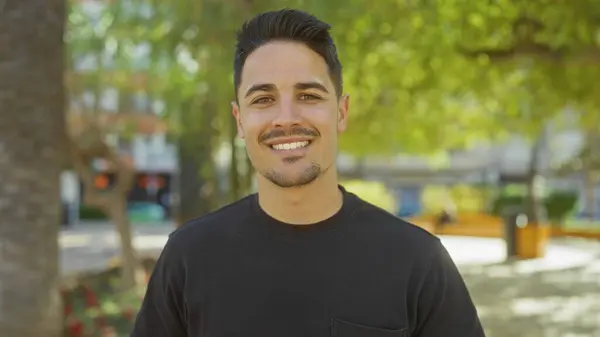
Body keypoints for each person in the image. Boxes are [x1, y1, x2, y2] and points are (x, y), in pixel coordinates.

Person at [131, 8, 486, 337]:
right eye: (263, 99)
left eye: (309, 95)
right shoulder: (190, 257)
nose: (286, 117)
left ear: (341, 112)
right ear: (240, 121)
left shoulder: (418, 262)